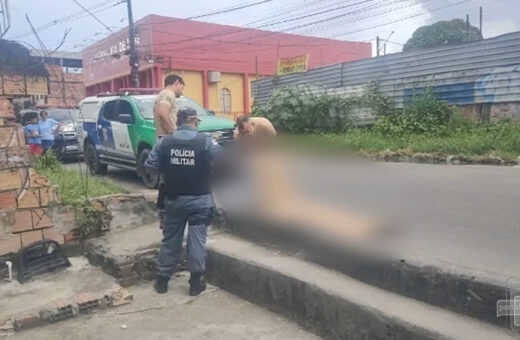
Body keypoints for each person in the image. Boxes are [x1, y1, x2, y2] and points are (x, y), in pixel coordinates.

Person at [145, 107, 222, 296]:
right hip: (200, 200)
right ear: (195, 121)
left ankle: (162, 281)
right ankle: (196, 283)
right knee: (196, 241)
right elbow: (225, 160)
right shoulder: (205, 141)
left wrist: (169, 172)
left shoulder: (164, 142)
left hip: (173, 200)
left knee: (171, 239)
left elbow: (150, 166)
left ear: (178, 122)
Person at [154, 74, 185, 229]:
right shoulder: (168, 94)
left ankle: (164, 212)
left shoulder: (162, 94)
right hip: (167, 140)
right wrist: (173, 135)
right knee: (171, 177)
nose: (182, 91)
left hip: (164, 140)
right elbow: (162, 113)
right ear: (177, 83)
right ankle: (166, 213)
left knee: (166, 178)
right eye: (182, 87)